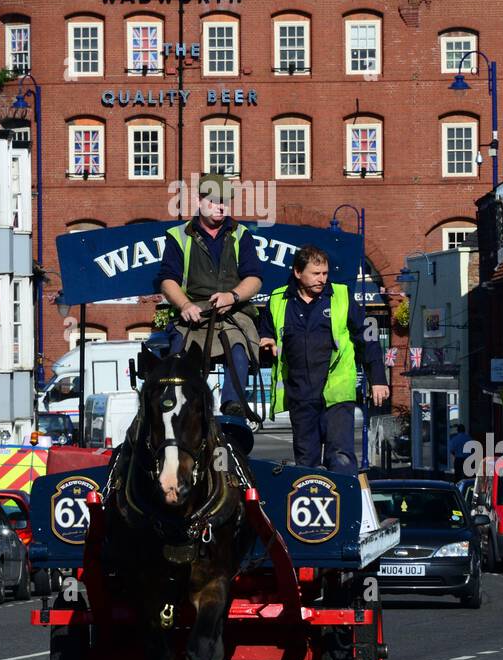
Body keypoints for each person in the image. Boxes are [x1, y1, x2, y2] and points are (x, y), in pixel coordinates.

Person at [258, 244, 390, 474]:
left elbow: (367, 339)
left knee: (340, 457)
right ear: (298, 273)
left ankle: (345, 507)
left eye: (325, 273)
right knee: (305, 462)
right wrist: (265, 342)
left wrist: (377, 379)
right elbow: (266, 335)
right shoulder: (278, 299)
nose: (322, 279)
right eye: (316, 273)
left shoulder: (341, 295)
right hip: (300, 394)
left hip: (337, 392)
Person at [155, 174, 263, 416]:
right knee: (179, 352)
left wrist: (232, 296)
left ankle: (233, 406)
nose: (220, 206)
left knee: (239, 347)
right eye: (214, 201)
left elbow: (254, 278)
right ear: (198, 200)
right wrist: (184, 305)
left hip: (233, 313)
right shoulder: (179, 236)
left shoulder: (241, 234)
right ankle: (180, 405)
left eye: (225, 201)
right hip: (193, 315)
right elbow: (168, 280)